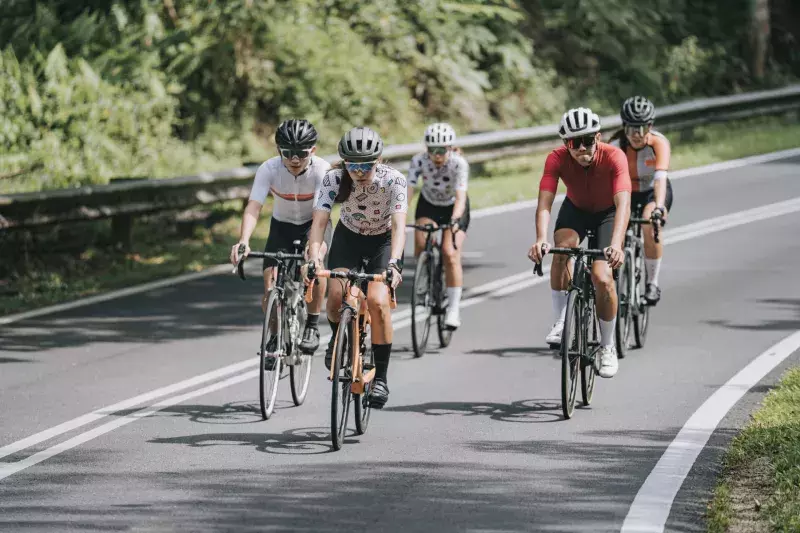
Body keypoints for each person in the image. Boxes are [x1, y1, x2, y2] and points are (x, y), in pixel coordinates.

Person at [306, 127, 407, 408]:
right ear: (344, 162)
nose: (359, 171)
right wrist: (314, 256)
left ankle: (382, 379)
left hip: (382, 243)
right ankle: (338, 338)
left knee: (376, 301)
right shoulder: (334, 179)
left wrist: (394, 263)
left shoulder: (394, 180)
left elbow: (399, 226)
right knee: (336, 298)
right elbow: (320, 222)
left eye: (366, 165)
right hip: (348, 238)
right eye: (353, 165)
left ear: (379, 160)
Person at [528, 107, 631, 378]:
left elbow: (623, 204)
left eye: (589, 140)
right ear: (565, 143)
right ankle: (561, 321)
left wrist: (617, 244)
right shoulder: (556, 159)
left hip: (608, 214)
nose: (583, 148)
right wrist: (540, 239)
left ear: (598, 137)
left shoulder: (614, 156)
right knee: (563, 249)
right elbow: (545, 204)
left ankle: (607, 347)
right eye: (576, 142)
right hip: (576, 209)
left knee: (602, 276)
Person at [230, 119, 331, 362]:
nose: (294, 159)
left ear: (313, 151)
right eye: (288, 153)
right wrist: (243, 240)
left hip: (314, 224)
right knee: (270, 285)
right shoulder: (269, 169)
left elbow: (320, 216)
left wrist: (313, 251)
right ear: (278, 151)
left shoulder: (322, 170)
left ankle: (313, 325)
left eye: (301, 153)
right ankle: (274, 336)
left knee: (316, 269)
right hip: (281, 227)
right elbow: (253, 207)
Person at [609, 96, 672, 305]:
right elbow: (607, 182)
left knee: (648, 222)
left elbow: (660, 179)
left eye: (642, 128)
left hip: (651, 192)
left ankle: (652, 283)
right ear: (624, 127)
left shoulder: (659, 143)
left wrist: (659, 208)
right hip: (626, 192)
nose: (636, 135)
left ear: (650, 126)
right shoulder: (616, 145)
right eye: (631, 128)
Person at [407, 122, 469, 329]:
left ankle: (453, 309)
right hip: (429, 204)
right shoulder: (418, 161)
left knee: (450, 253)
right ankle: (424, 276)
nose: (437, 155)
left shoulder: (459, 164)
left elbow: (461, 197)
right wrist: (401, 213)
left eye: (441, 150)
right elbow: (409, 189)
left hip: (454, 206)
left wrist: (454, 220)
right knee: (419, 240)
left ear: (450, 148)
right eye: (432, 150)